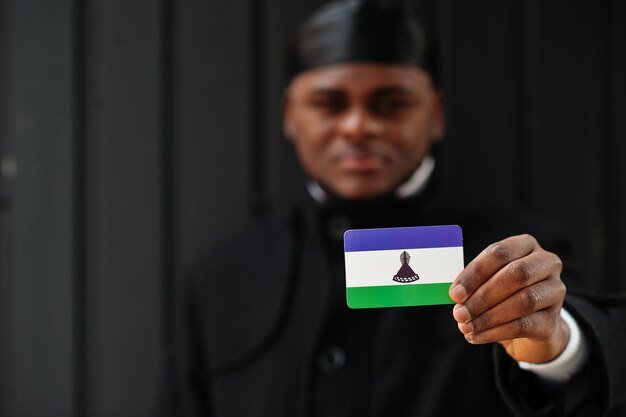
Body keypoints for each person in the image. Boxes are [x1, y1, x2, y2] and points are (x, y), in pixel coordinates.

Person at [160, 1, 626, 415]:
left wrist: (553, 341)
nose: (359, 126)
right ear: (289, 114)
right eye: (330, 103)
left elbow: (586, 362)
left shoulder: (512, 252)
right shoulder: (218, 277)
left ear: (435, 113)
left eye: (391, 104)